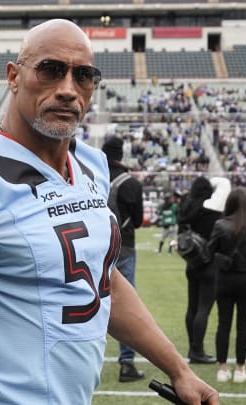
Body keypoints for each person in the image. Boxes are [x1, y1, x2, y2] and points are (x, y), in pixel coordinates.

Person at [0, 19, 218, 405]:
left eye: (83, 76)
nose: (68, 89)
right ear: (14, 77)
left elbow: (104, 283)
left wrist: (179, 370)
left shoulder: (90, 165)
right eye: (51, 70)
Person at [207, 189, 246, 384]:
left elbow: (209, 252)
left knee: (224, 323)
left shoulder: (220, 225)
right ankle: (240, 368)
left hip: (225, 279)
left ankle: (222, 368)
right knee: (243, 326)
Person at [101, 135, 145, 382]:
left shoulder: (88, 176)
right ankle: (126, 363)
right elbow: (137, 221)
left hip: (92, 246)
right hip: (123, 246)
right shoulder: (130, 183)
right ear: (121, 154)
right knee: (124, 303)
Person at [178, 176, 226, 364]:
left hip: (191, 262)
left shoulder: (186, 208)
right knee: (203, 309)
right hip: (208, 261)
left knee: (192, 307)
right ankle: (198, 349)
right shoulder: (211, 211)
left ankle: (192, 347)